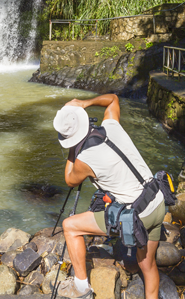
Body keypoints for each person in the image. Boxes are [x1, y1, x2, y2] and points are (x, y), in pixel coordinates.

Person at [52, 94, 165, 299]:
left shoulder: (84, 160)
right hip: (157, 201)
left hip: (138, 217)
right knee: (147, 266)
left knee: (70, 226)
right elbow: (113, 99)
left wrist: (72, 150)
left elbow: (70, 180)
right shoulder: (112, 127)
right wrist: (84, 103)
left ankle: (81, 286)